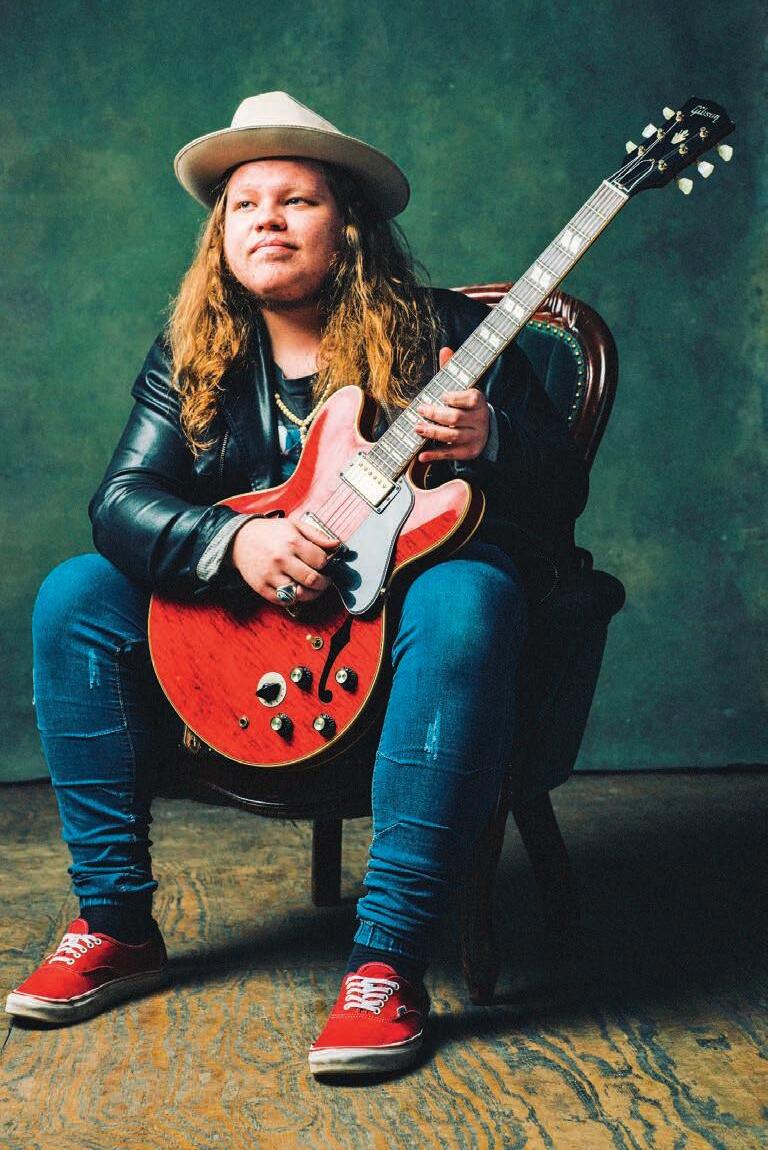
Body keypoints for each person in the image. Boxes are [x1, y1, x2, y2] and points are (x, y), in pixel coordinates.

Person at [5, 92, 588, 1077]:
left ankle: (387, 965)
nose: (266, 219)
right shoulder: (193, 353)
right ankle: (116, 925)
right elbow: (121, 503)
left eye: (297, 200)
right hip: (252, 635)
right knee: (76, 595)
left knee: (469, 595)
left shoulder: (451, 334)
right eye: (244, 204)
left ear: (348, 225)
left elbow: (562, 493)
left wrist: (493, 440)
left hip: (404, 641)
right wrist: (232, 544)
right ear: (220, 236)